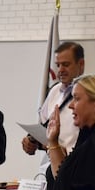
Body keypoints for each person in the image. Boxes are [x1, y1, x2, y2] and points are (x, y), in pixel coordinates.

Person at [21, 41, 85, 178]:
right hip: (47, 170)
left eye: (66, 64)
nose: (60, 70)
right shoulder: (54, 91)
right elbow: (44, 128)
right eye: (58, 65)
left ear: (81, 64)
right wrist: (32, 142)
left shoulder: (91, 95)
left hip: (74, 170)